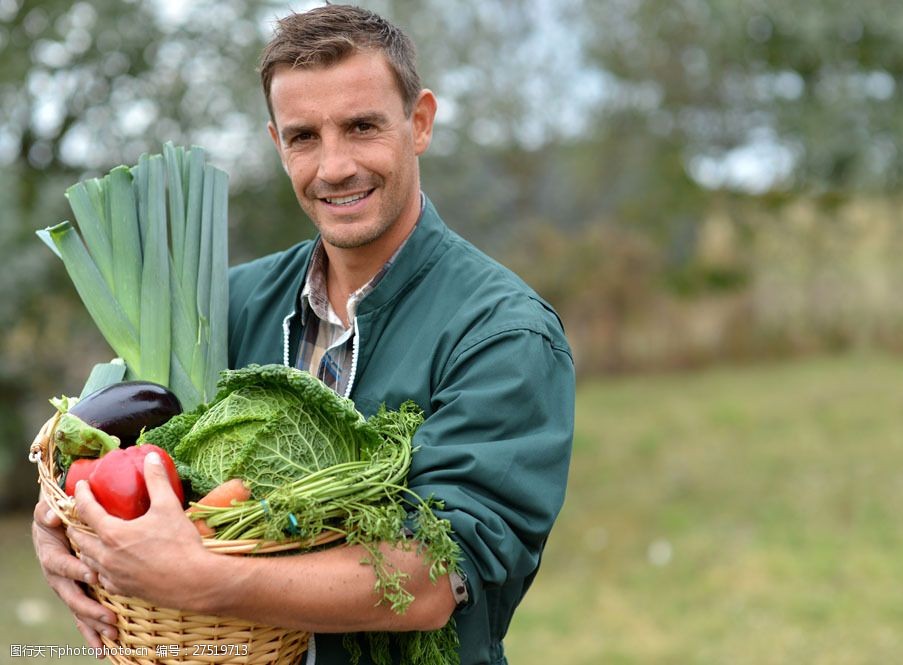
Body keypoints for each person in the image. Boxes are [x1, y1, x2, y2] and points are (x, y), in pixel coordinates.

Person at [31, 4, 575, 664]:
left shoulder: (502, 332)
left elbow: (434, 575)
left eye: (361, 126)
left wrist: (206, 581)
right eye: (304, 137)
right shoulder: (225, 307)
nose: (335, 166)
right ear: (275, 142)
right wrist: (58, 525)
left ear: (421, 121)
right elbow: (111, 450)